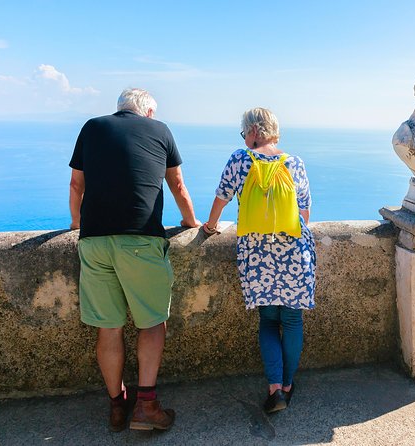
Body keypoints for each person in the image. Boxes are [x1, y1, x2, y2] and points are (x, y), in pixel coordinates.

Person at [68, 88, 200, 432]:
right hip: (141, 238)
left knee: (108, 326)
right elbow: (178, 185)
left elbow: (76, 184)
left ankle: (116, 406)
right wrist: (191, 223)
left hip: (94, 242)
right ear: (149, 112)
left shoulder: (92, 127)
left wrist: (78, 225)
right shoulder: (160, 130)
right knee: (152, 322)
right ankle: (146, 405)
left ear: (120, 109)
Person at [202, 107, 316, 414]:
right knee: (291, 321)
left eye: (244, 133)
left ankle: (274, 388)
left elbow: (221, 198)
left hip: (257, 253)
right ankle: (288, 386)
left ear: (253, 131)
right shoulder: (295, 162)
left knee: (268, 321)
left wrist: (210, 226)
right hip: (294, 250)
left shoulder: (240, 159)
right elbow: (304, 212)